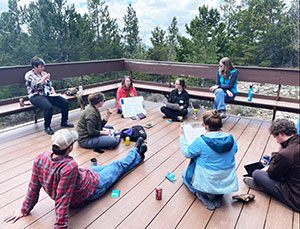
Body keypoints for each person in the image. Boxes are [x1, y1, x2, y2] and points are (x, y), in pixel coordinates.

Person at [3, 129, 147, 228]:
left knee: (112, 166)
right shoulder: (69, 167)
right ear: (70, 148)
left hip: (84, 174)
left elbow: (33, 187)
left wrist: (24, 209)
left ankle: (138, 156)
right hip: (92, 187)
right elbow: (62, 200)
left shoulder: (41, 158)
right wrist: (60, 227)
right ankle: (136, 152)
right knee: (117, 166)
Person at [180, 110, 238, 210]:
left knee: (184, 175)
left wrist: (181, 136)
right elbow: (234, 151)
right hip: (225, 184)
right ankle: (218, 196)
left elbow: (187, 153)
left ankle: (201, 195)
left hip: (204, 187)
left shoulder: (201, 141)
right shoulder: (231, 139)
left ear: (206, 126)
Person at [243, 119, 300, 212]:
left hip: (295, 197)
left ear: (281, 133)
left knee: (257, 173)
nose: (276, 140)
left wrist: (277, 152)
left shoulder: (285, 154)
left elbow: (273, 174)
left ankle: (264, 187)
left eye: (275, 136)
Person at [25, 56, 74, 135]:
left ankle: (64, 121)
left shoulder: (44, 73)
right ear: (35, 67)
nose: (43, 68)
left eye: (43, 66)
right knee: (49, 107)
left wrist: (53, 91)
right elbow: (34, 87)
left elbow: (49, 85)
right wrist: (43, 79)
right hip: (36, 96)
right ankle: (47, 126)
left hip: (48, 94)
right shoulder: (29, 75)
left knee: (64, 102)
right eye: (41, 66)